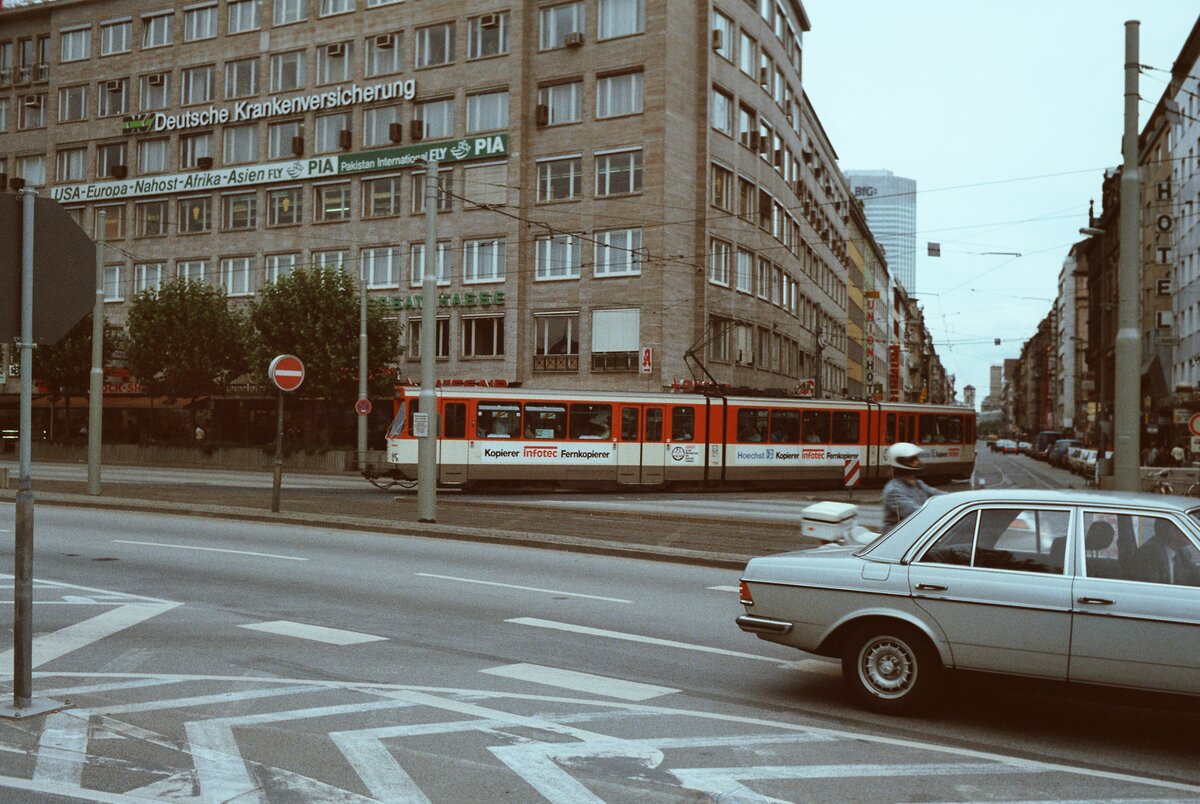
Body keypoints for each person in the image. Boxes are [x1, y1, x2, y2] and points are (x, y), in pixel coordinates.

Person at [881, 442, 944, 533]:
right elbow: (916, 513)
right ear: (900, 462)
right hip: (898, 535)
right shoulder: (894, 491)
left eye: (916, 457)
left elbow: (940, 495)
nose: (917, 461)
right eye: (912, 459)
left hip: (914, 531)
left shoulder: (918, 483)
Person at [1131, 518, 1200, 586]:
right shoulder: (1149, 554)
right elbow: (1153, 588)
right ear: (1171, 531)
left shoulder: (1182, 554)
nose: (1189, 532)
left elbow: (1194, 575)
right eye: (1184, 528)